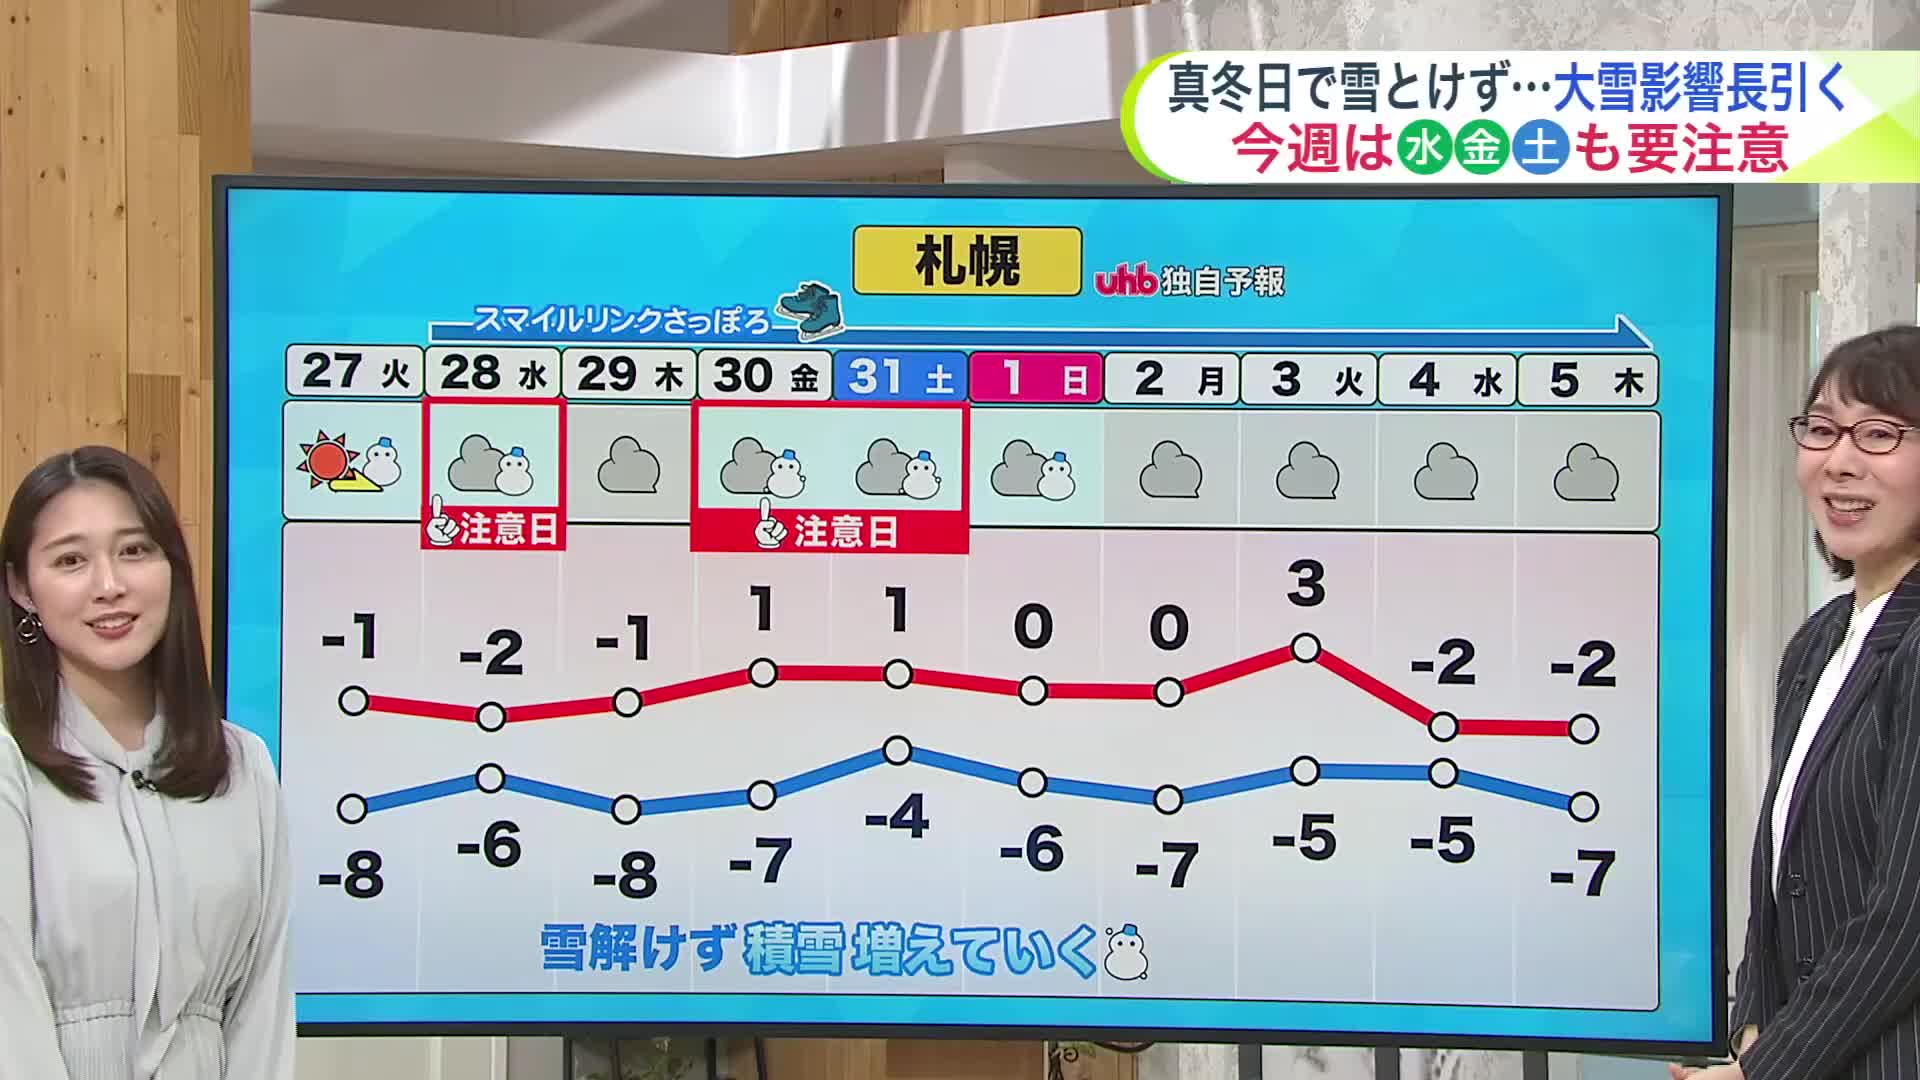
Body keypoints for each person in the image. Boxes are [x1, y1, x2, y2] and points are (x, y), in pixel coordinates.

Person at [0, 446, 295, 1079]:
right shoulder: (10, 762)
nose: (109, 585)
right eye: (71, 560)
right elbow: (8, 1005)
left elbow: (264, 1000)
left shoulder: (242, 764)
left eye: (134, 550)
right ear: (22, 588)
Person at [1677, 324, 1920, 1080]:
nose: (1840, 461)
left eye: (1879, 434)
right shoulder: (1817, 644)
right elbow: (1784, 879)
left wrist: (1766, 1068)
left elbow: (1905, 920)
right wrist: (1750, 1025)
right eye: (1822, 430)